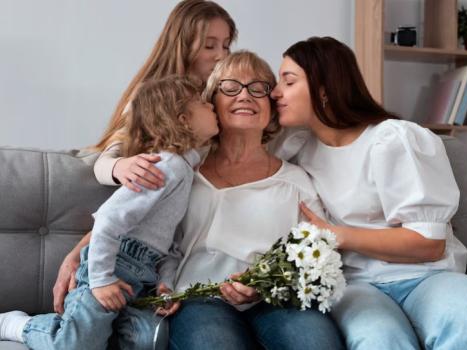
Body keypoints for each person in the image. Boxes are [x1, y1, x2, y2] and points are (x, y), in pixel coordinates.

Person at [270, 36, 467, 349]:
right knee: (379, 339)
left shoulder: (392, 140)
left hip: (427, 277)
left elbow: (428, 244)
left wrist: (336, 236)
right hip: (357, 284)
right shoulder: (298, 149)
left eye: (289, 81)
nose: (275, 92)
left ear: (324, 89)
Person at [0, 76, 219, 349]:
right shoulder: (166, 166)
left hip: (143, 279)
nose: (210, 105)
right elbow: (108, 219)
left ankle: (98, 325)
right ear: (183, 119)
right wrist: (101, 280)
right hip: (113, 265)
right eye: (201, 102)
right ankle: (18, 324)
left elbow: (171, 243)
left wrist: (165, 284)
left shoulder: (186, 170)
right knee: (74, 344)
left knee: (147, 341)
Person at [53, 0, 237, 315]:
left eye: (226, 45)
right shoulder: (151, 102)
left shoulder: (218, 105)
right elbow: (114, 182)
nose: (221, 54)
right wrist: (121, 166)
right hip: (133, 243)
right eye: (210, 45)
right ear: (183, 45)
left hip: (172, 248)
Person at [167, 51, 345, 350]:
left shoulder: (296, 181)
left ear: (271, 108)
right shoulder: (185, 172)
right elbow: (153, 236)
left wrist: (265, 288)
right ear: (212, 103)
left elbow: (320, 254)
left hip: (279, 301)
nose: (245, 96)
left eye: (258, 88)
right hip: (200, 299)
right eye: (231, 87)